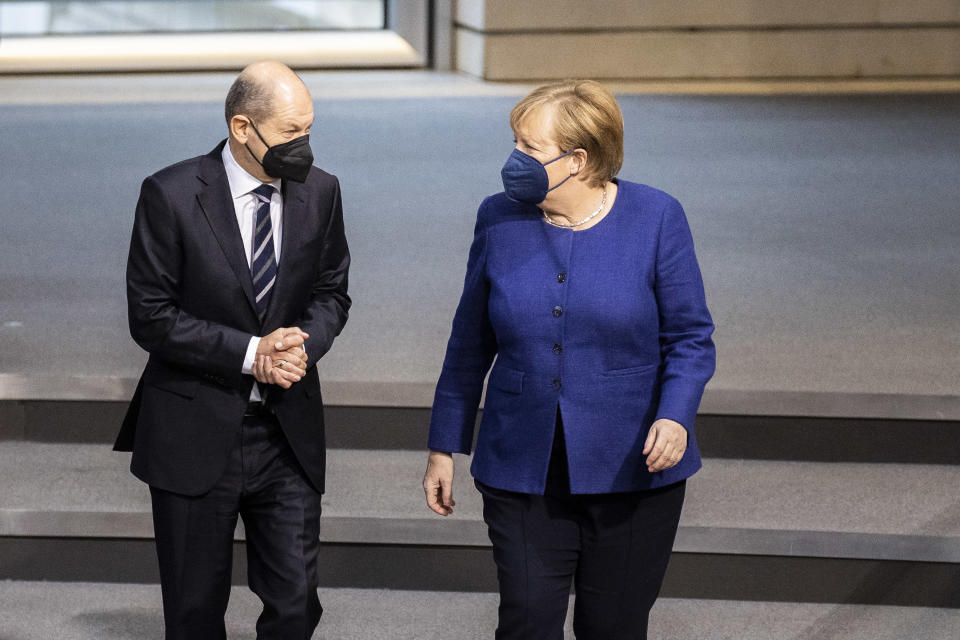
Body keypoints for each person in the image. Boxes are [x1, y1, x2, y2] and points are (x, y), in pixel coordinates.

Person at [422, 80, 715, 639]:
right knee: (527, 621)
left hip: (631, 465)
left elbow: (690, 337)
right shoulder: (499, 218)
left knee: (613, 627)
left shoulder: (656, 217)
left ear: (577, 159)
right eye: (515, 142)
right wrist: (443, 445)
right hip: (522, 464)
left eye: (529, 147)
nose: (514, 160)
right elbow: (468, 341)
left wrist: (675, 415)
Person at [114, 61, 350, 639]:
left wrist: (300, 346)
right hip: (195, 429)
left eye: (309, 129)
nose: (305, 146)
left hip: (285, 433)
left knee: (296, 604)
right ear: (243, 127)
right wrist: (252, 353)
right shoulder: (169, 194)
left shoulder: (321, 191)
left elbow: (331, 292)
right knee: (194, 612)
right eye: (292, 132)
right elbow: (151, 316)